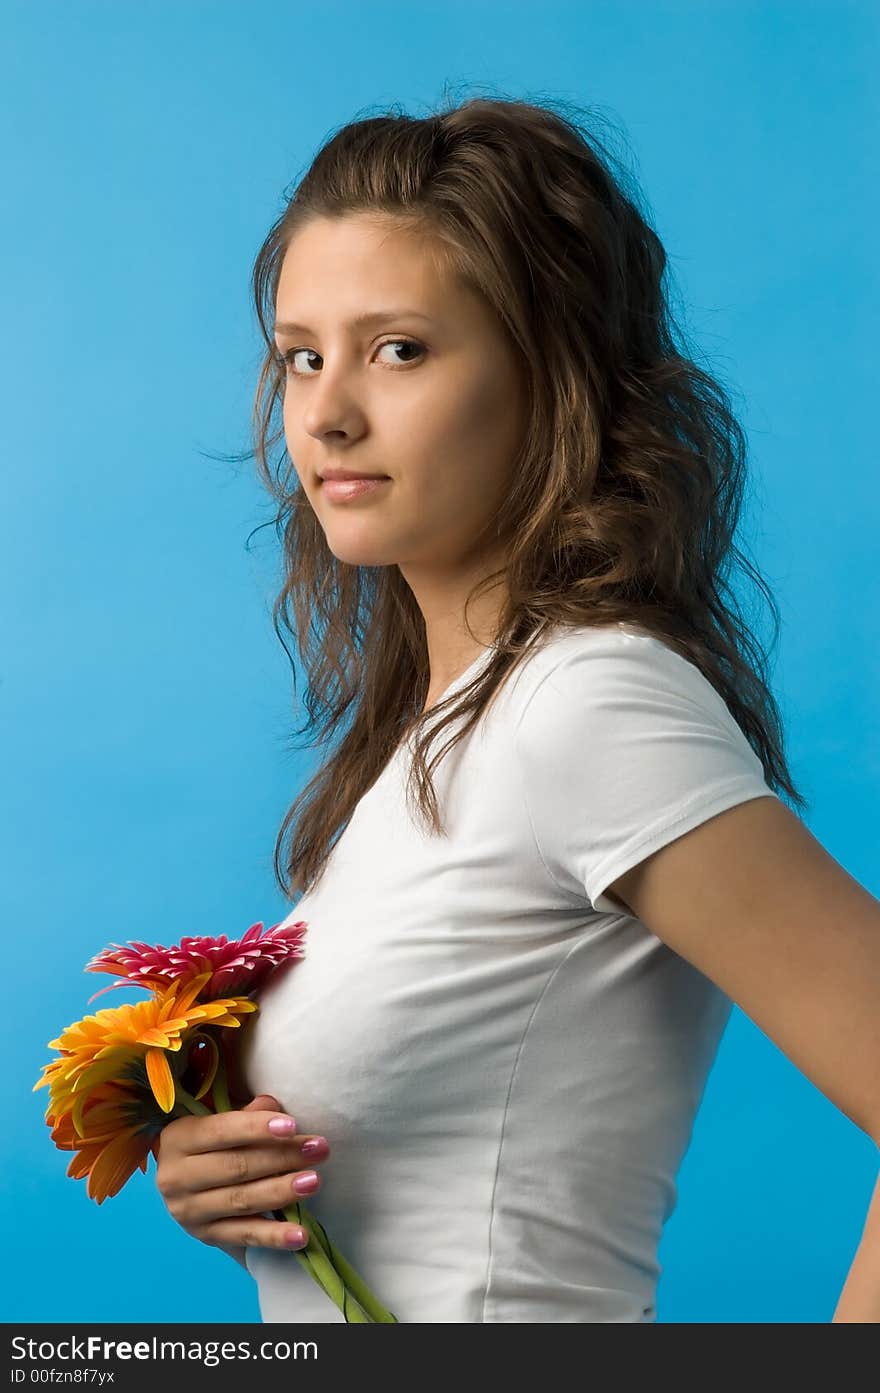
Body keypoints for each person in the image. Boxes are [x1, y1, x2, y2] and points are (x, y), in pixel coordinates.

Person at [155, 94, 880, 1323]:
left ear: (551, 377)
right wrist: (235, 1192)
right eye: (301, 354)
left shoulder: (588, 705)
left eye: (399, 349)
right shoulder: (440, 735)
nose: (327, 411)